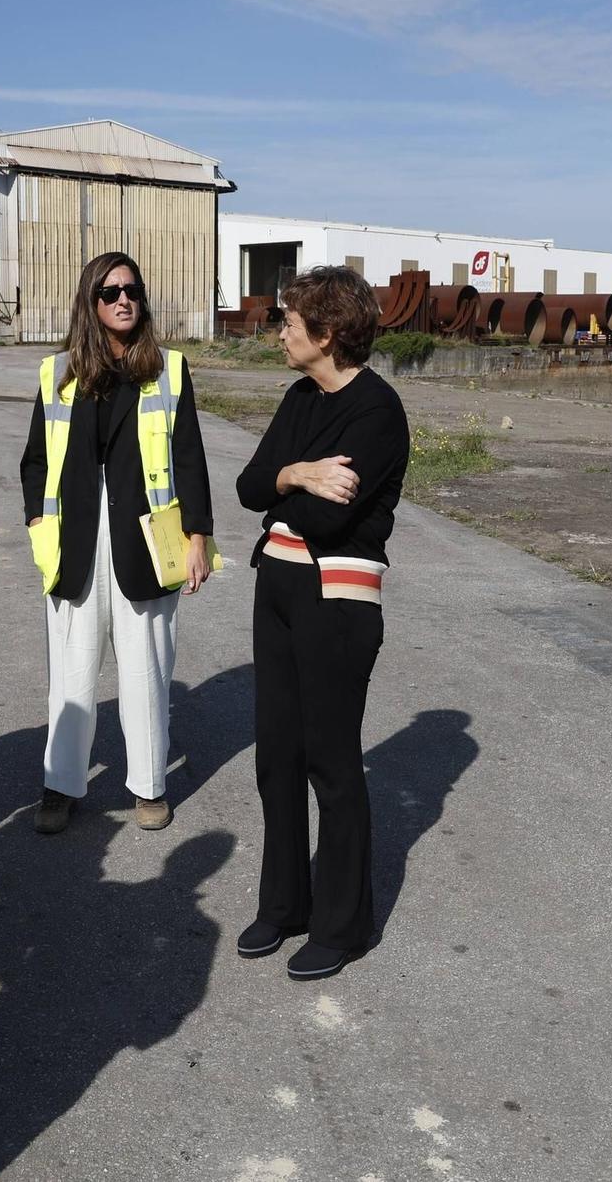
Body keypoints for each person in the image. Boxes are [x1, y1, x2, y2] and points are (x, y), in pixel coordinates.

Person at [234, 265, 409, 981]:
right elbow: (252, 487)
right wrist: (296, 474)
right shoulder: (300, 395)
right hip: (275, 588)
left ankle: (342, 925)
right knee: (277, 755)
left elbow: (328, 517)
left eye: (290, 321)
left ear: (327, 333)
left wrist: (290, 485)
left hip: (337, 599)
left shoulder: (377, 412)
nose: (280, 331)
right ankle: (285, 905)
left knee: (331, 764)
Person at [19, 251, 214, 834]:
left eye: (131, 289)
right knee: (72, 676)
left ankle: (149, 786)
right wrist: (37, 521)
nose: (123, 299)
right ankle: (61, 788)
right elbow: (35, 460)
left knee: (147, 671)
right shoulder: (57, 373)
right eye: (109, 292)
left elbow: (190, 458)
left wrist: (198, 534)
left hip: (149, 543)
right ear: (91, 302)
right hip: (75, 545)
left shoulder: (170, 370)